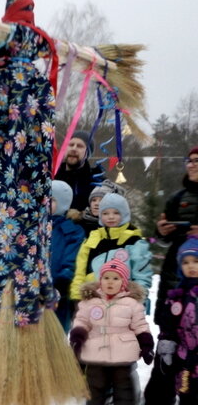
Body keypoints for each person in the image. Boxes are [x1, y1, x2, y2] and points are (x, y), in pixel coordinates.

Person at [146, 149, 198, 405]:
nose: (193, 165)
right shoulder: (177, 197)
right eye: (190, 160)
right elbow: (163, 234)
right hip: (173, 276)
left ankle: (193, 398)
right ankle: (159, 397)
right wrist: (161, 230)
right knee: (168, 334)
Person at [70, 259, 153, 405]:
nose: (110, 282)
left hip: (123, 354)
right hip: (95, 352)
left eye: (116, 278)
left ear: (124, 282)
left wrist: (146, 344)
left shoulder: (131, 304)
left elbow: (140, 325)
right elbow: (82, 321)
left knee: (124, 387)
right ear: (100, 280)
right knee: (95, 385)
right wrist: (77, 337)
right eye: (106, 277)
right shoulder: (90, 302)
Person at [69, 192, 151, 305]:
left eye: (116, 213)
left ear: (125, 214)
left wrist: (136, 301)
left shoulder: (134, 241)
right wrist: (77, 296)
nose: (111, 217)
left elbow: (142, 275)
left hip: (123, 303)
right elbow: (80, 270)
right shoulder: (93, 238)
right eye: (105, 213)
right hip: (93, 300)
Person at [155, 237, 198, 405]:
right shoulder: (177, 294)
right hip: (183, 354)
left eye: (196, 261)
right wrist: (166, 341)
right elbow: (168, 322)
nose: (191, 266)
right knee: (186, 395)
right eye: (186, 262)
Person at [48, 180, 85, 329]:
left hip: (58, 291)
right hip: (34, 287)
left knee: (56, 328)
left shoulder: (71, 231)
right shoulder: (35, 227)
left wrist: (63, 281)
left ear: (63, 203)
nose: (46, 204)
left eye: (51, 201)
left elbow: (72, 258)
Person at [53, 135, 105, 214]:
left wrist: (81, 215)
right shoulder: (50, 176)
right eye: (70, 145)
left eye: (80, 146)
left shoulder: (97, 182)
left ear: (87, 153)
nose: (74, 149)